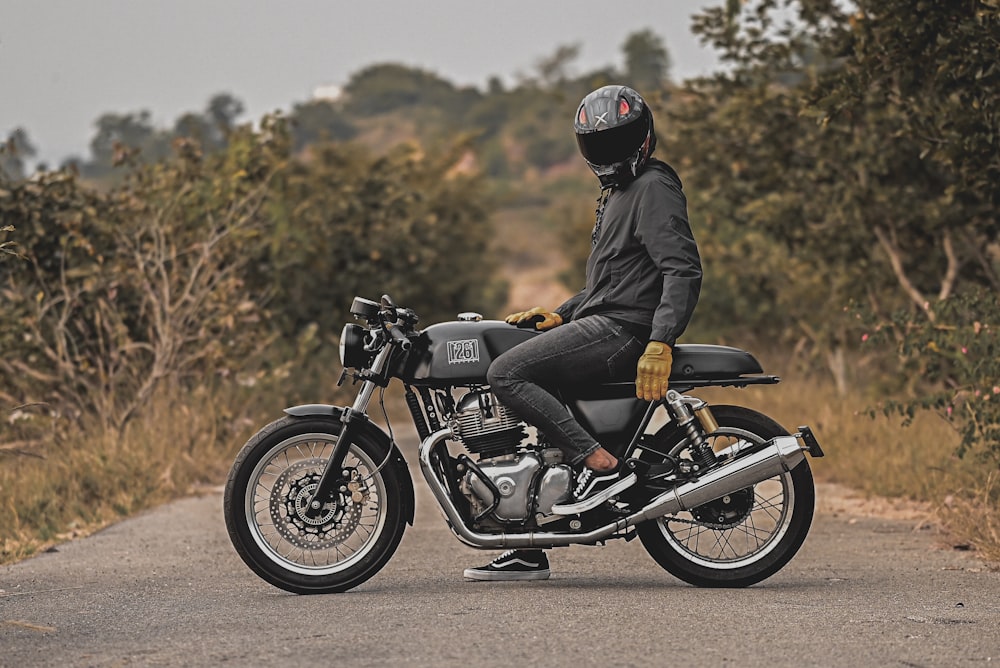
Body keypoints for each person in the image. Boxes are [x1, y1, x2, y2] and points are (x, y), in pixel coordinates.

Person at [463, 85, 702, 581]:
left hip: (625, 330)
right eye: (598, 145)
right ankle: (527, 543)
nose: (608, 154)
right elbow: (612, 280)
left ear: (644, 138)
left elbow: (681, 270)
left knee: (506, 373)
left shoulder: (653, 187)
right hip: (604, 320)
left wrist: (662, 341)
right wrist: (562, 313)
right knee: (526, 386)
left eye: (617, 142)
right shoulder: (619, 193)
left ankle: (597, 463)